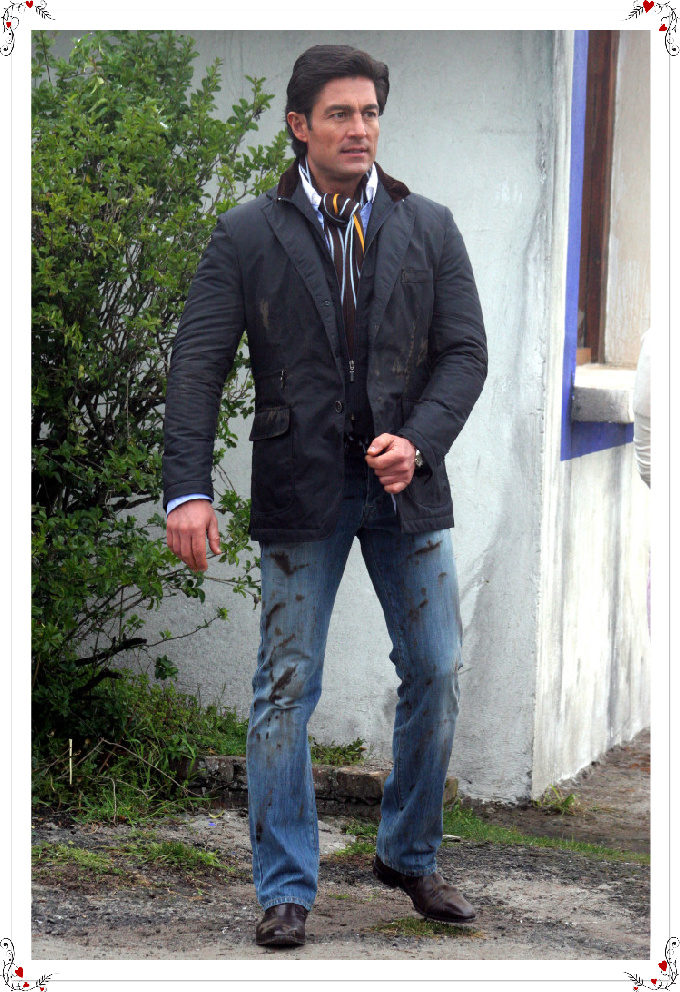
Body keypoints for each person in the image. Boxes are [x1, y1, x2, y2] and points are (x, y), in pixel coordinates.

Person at [163, 44, 488, 948]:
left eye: (370, 113)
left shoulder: (430, 226)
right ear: (299, 126)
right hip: (301, 485)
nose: (359, 129)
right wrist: (187, 489)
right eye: (340, 114)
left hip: (404, 487)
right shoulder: (246, 233)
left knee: (435, 667)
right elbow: (197, 366)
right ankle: (285, 887)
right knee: (285, 686)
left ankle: (409, 855)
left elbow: (466, 353)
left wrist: (418, 441)